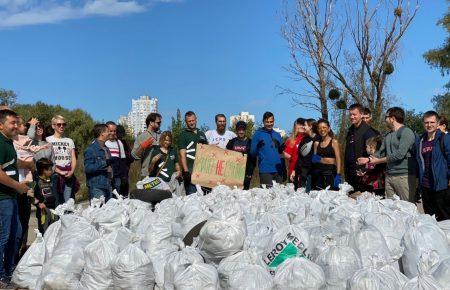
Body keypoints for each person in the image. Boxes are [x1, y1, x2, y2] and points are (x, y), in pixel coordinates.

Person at [358, 107, 417, 201]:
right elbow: (380, 152)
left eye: (386, 117)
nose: (385, 120)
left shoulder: (406, 132)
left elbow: (399, 155)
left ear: (392, 118)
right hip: (389, 176)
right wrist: (368, 160)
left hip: (404, 176)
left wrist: (378, 161)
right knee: (390, 208)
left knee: (408, 207)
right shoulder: (388, 135)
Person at [0, 109, 30, 288]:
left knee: (16, 235)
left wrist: (27, 164)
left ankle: (10, 271)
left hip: (10, 197)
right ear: (1, 124)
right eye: (13, 123)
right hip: (3, 198)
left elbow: (10, 163)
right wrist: (18, 186)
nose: (17, 126)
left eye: (17, 123)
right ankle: (1, 277)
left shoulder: (8, 142)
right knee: (4, 237)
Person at [415, 111, 450, 221]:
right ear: (423, 123)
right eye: (426, 122)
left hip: (441, 185)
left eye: (432, 122)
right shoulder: (420, 141)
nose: (429, 125)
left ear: (437, 122)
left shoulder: (444, 138)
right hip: (425, 185)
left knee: (445, 218)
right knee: (430, 218)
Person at [344, 103, 379, 193]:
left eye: (354, 114)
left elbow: (375, 155)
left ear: (361, 114)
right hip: (350, 176)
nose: (352, 117)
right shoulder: (350, 131)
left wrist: (365, 169)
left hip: (364, 177)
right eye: (350, 114)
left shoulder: (369, 132)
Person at [46, 115, 77, 204]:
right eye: (59, 124)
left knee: (68, 203)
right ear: (53, 126)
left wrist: (72, 171)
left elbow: (73, 158)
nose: (62, 126)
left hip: (68, 174)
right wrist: (59, 171)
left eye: (64, 124)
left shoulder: (69, 140)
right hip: (54, 174)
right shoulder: (48, 140)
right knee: (57, 202)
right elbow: (48, 160)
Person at [250, 112, 284, 187]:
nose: (269, 124)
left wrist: (284, 168)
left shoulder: (277, 135)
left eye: (271, 122)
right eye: (267, 122)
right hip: (265, 170)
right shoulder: (257, 134)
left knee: (280, 195)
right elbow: (252, 153)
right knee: (267, 196)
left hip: (278, 170)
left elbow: (282, 153)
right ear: (263, 122)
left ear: (274, 121)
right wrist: (257, 147)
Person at [178, 111, 208, 194]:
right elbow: (182, 154)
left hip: (202, 172)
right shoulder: (183, 135)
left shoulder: (202, 134)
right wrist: (186, 171)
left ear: (196, 119)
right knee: (193, 199)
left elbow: (207, 151)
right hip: (190, 172)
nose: (191, 123)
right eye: (189, 121)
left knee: (205, 198)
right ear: (186, 122)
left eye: (193, 120)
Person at [84, 124, 113, 201]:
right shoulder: (91, 149)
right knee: (98, 212)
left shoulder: (106, 149)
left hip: (108, 184)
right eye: (108, 131)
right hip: (97, 187)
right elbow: (88, 168)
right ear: (102, 133)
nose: (110, 133)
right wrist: (105, 163)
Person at [311, 119, 342, 190]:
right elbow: (314, 160)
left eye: (324, 127)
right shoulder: (316, 143)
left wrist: (338, 174)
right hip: (319, 176)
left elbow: (338, 159)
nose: (322, 130)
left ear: (329, 128)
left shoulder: (334, 142)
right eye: (319, 128)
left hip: (331, 175)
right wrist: (316, 160)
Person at [226, 121, 256, 190]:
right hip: (233, 173)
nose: (241, 132)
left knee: (244, 195)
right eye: (239, 130)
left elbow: (253, 160)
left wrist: (250, 174)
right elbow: (226, 156)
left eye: (243, 130)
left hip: (246, 174)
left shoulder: (250, 142)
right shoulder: (231, 142)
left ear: (245, 130)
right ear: (236, 130)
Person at [290, 119, 318, 192]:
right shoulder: (304, 139)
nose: (303, 127)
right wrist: (294, 171)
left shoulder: (318, 139)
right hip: (302, 173)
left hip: (313, 174)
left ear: (310, 127)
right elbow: (300, 157)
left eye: (305, 125)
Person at [132, 113, 162, 178]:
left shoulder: (161, 136)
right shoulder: (141, 137)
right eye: (158, 123)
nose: (160, 124)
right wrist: (142, 147)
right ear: (151, 122)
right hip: (146, 174)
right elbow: (134, 155)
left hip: (161, 173)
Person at [33, 158, 57, 234]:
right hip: (43, 212)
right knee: (45, 231)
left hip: (54, 210)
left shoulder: (52, 179)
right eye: (50, 169)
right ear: (44, 170)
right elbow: (30, 195)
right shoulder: (36, 181)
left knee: (54, 231)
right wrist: (38, 204)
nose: (52, 171)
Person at [105, 121, 128, 197]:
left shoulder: (119, 143)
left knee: (116, 196)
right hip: (106, 175)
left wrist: (124, 176)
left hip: (117, 176)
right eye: (110, 131)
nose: (113, 133)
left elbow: (123, 161)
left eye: (114, 131)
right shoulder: (104, 143)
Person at [116, 125, 133, 196]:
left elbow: (131, 158)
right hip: (118, 175)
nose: (120, 138)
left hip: (124, 174)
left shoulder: (124, 143)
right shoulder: (124, 143)